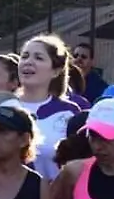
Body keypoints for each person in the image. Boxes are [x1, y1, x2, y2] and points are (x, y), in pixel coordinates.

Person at [17, 36, 82, 179]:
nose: (28, 62)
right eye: (24, 56)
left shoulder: (70, 112)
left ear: (56, 71)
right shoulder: (4, 105)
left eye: (38, 58)